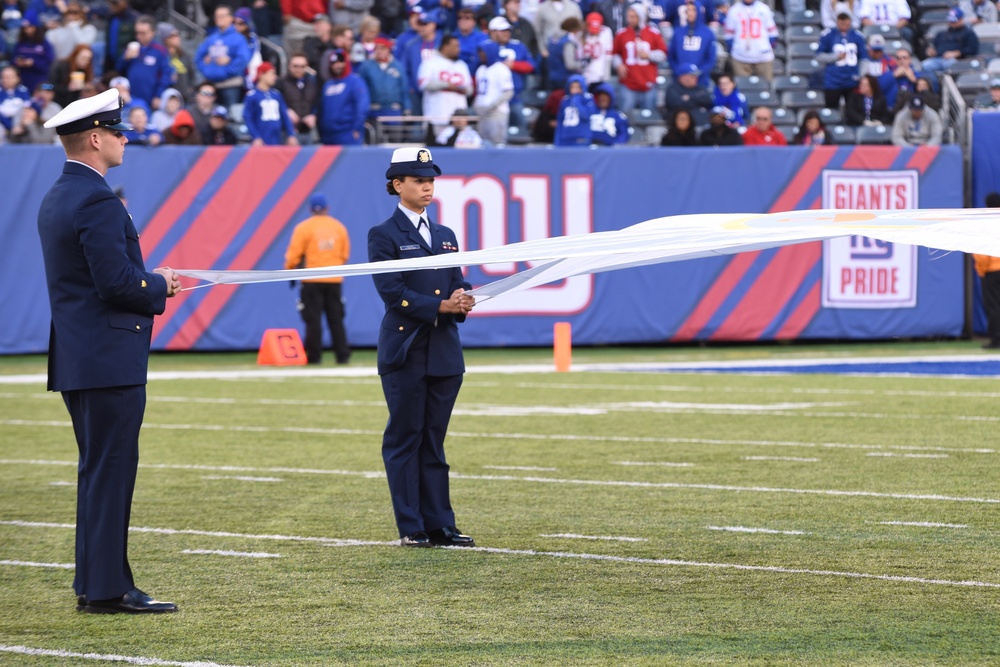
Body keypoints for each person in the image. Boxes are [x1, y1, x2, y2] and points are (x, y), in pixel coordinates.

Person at [37, 88, 182, 614]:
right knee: (110, 471)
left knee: (99, 471)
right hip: (107, 359)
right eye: (118, 132)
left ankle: (97, 583)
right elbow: (117, 284)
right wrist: (159, 284)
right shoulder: (95, 198)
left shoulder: (59, 193)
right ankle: (106, 589)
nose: (125, 139)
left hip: (83, 358)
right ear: (95, 138)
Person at [368, 147, 476, 549]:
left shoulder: (446, 235)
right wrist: (440, 305)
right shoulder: (383, 235)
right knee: (406, 437)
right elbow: (392, 292)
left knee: (434, 440)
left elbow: (456, 279)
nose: (427, 186)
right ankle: (411, 525)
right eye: (418, 179)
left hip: (444, 351)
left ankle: (441, 523)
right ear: (397, 185)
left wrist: (462, 297)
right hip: (407, 349)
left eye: (430, 179)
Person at [285, 193, 351, 365]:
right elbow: (345, 255)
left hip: (311, 278)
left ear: (310, 209)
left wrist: (290, 271)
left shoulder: (303, 228)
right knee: (336, 319)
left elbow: (294, 255)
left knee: (312, 320)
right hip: (334, 279)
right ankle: (342, 355)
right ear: (327, 208)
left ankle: (314, 357)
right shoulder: (338, 227)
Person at [479, 16, 536, 129]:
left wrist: (514, 65)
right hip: (491, 100)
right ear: (493, 32)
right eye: (502, 30)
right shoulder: (485, 47)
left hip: (515, 96)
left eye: (508, 30)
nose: (506, 33)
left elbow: (531, 66)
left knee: (520, 128)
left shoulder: (518, 45)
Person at [611, 3, 666, 113]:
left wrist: (649, 55)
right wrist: (618, 65)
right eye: (629, 16)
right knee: (625, 116)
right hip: (628, 83)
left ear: (641, 17)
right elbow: (614, 53)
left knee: (648, 117)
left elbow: (663, 54)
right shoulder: (621, 34)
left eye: (634, 17)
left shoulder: (653, 33)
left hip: (648, 82)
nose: (630, 20)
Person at [194, 4, 252, 108]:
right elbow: (198, 57)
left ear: (230, 18)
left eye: (222, 16)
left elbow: (242, 59)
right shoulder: (211, 39)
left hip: (230, 86)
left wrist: (226, 70)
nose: (218, 19)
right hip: (212, 86)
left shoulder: (238, 38)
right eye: (217, 16)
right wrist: (206, 69)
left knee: (231, 118)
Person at [418, 33, 474, 136]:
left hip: (458, 118)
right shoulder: (430, 62)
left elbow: (470, 90)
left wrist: (461, 89)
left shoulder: (461, 65)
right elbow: (424, 84)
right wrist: (446, 85)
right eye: (455, 46)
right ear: (445, 46)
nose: (459, 49)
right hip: (437, 116)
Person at [358, 37, 410, 143]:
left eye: (383, 48)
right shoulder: (366, 66)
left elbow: (404, 88)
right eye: (377, 48)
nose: (379, 51)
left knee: (396, 142)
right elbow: (361, 90)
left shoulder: (397, 66)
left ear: (388, 49)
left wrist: (407, 108)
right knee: (375, 141)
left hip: (393, 110)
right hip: (375, 111)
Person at [117, 15, 172, 111]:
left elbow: (165, 74)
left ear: (152, 32)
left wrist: (158, 95)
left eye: (143, 33)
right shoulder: (131, 47)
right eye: (137, 33)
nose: (139, 36)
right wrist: (125, 58)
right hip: (130, 97)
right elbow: (119, 69)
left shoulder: (160, 50)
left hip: (150, 97)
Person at [816, 8, 868, 110]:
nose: (843, 22)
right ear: (837, 20)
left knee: (853, 111)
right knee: (831, 110)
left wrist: (861, 75)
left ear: (850, 20)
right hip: (833, 81)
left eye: (846, 19)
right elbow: (819, 56)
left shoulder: (858, 36)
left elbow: (864, 58)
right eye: (841, 19)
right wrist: (835, 57)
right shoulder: (828, 35)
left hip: (852, 80)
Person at [317, 48, 370, 145]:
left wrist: (356, 128)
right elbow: (322, 109)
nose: (337, 65)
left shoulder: (355, 81)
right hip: (328, 136)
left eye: (340, 62)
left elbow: (362, 107)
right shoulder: (327, 85)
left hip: (347, 134)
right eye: (334, 63)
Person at [242, 61, 298, 145]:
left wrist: (291, 134)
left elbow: (284, 115)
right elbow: (248, 118)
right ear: (261, 75)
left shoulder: (276, 95)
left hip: (278, 139)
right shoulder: (252, 96)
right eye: (271, 74)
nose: (274, 77)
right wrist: (256, 136)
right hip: (261, 141)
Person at [724, 0, 778, 81]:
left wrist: (765, 48)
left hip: (763, 57)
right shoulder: (734, 10)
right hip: (740, 57)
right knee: (742, 87)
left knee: (765, 87)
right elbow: (729, 35)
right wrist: (736, 49)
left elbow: (773, 33)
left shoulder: (764, 8)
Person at [973, 192, 1000, 349]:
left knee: (994, 306)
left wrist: (982, 270)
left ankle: (997, 338)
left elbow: (981, 250)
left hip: (992, 270)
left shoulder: (987, 223)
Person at [275, 52, 320, 143]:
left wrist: (313, 115)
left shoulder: (313, 83)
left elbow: (318, 102)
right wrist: (286, 111)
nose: (299, 69)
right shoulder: (281, 83)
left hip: (308, 130)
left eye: (302, 66)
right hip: (287, 131)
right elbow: (275, 102)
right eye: (295, 66)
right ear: (289, 66)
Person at [670, 1, 716, 89]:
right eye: (688, 10)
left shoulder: (708, 33)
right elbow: (671, 55)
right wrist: (679, 72)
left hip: (701, 81)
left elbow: (711, 59)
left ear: (699, 11)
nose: (690, 13)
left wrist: (698, 73)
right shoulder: (678, 32)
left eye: (693, 10)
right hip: (680, 80)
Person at [473, 48, 514, 145]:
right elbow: (479, 91)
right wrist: (477, 105)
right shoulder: (480, 69)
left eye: (483, 53)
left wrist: (491, 106)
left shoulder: (501, 68)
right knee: (482, 145)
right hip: (482, 113)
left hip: (497, 112)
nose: (481, 55)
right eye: (480, 53)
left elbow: (508, 92)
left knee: (497, 146)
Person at [923, 8, 980, 73]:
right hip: (938, 58)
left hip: (957, 60)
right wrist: (931, 51)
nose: (952, 23)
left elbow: (972, 50)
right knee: (925, 65)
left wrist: (957, 53)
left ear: (961, 20)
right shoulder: (941, 33)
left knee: (950, 65)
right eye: (950, 20)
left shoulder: (968, 33)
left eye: (954, 21)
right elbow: (932, 46)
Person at [12, 15, 55, 95]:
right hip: (23, 80)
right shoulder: (20, 43)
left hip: (41, 81)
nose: (28, 30)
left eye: (31, 27)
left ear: (36, 27)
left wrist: (34, 63)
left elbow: (49, 62)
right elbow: (13, 61)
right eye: (25, 28)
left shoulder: (45, 44)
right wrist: (18, 62)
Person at [554, 73, 595, 146]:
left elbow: (586, 116)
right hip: (565, 137)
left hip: (581, 137)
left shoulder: (587, 98)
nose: (575, 90)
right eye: (573, 87)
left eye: (578, 87)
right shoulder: (565, 100)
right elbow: (560, 121)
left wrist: (577, 101)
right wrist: (557, 140)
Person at [581, 11, 614, 87]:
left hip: (599, 75)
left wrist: (606, 76)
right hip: (584, 75)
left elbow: (608, 56)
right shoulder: (581, 33)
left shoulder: (606, 32)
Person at [589, 81, 628, 145]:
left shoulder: (618, 116)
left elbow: (623, 134)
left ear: (611, 98)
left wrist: (616, 145)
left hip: (610, 150)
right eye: (600, 97)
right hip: (589, 148)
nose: (602, 99)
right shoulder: (589, 113)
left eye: (605, 97)